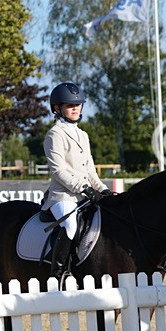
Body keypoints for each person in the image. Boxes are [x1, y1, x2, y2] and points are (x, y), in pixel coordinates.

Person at [40, 82, 112, 283]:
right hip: (62, 196)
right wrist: (84, 189)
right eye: (70, 105)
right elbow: (58, 170)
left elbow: (89, 170)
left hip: (84, 195)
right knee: (70, 225)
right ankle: (59, 274)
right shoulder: (55, 134)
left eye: (78, 104)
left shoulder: (83, 135)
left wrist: (103, 190)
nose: (75, 108)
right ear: (57, 108)